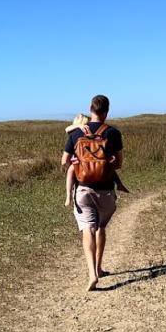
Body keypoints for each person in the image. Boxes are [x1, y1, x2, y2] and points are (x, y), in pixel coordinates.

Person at [61, 95, 124, 291]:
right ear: (107, 111)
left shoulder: (76, 133)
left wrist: (76, 163)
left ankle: (92, 273)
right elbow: (119, 164)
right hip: (105, 191)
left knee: (88, 229)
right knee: (100, 227)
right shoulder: (113, 133)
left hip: (83, 189)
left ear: (91, 109)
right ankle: (99, 266)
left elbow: (64, 161)